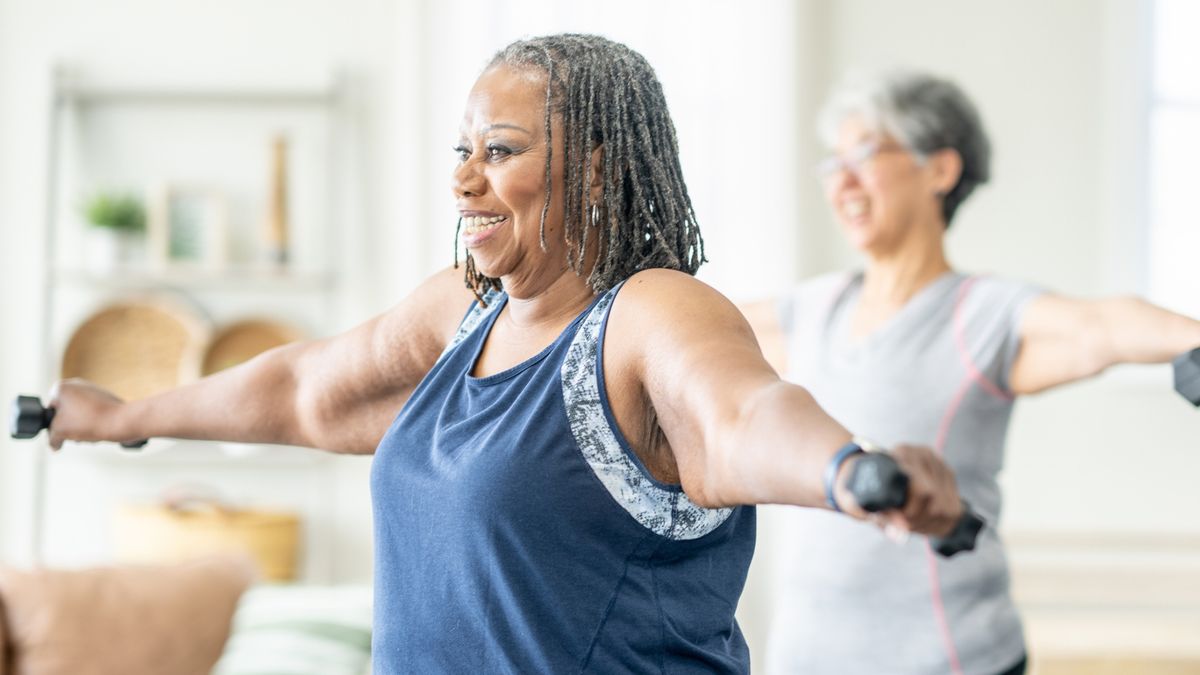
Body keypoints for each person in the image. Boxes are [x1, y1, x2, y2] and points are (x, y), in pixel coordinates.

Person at [45, 36, 968, 674]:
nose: (462, 176)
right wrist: (123, 415)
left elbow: (741, 416)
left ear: (598, 168)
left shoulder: (648, 311)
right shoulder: (466, 309)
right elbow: (304, 390)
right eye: (461, 149)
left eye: (501, 149)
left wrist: (849, 469)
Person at [742, 71, 1200, 675]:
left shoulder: (979, 314)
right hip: (805, 655)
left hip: (949, 656)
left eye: (864, 156)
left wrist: (1193, 339)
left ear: (940, 170)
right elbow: (694, 327)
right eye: (833, 164)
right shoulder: (812, 309)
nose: (842, 181)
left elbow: (1103, 326)